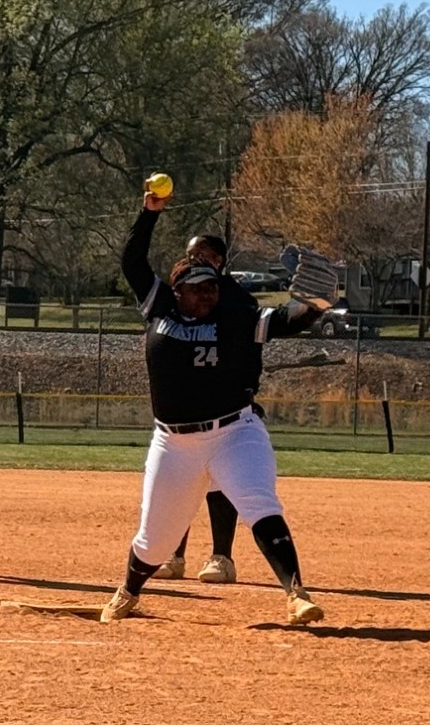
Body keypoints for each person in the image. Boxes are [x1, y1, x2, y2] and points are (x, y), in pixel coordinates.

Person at [100, 186, 333, 625]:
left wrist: (316, 305)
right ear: (177, 291)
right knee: (155, 540)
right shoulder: (159, 308)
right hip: (173, 444)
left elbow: (285, 321)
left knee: (259, 503)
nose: (206, 295)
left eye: (211, 286)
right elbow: (132, 263)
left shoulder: (233, 316)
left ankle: (296, 593)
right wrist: (148, 214)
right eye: (196, 288)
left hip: (234, 432)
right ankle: (128, 591)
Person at [154, 233, 254, 586]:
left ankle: (221, 557)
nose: (195, 258)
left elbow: (251, 349)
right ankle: (173, 554)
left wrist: (247, 389)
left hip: (225, 405)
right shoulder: (174, 296)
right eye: (190, 253)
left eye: (203, 254)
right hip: (181, 409)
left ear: (220, 259)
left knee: (218, 484)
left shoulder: (236, 300)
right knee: (180, 483)